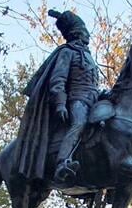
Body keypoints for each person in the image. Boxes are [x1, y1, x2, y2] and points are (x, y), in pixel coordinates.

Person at [13, 9, 100, 184]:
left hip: (94, 100)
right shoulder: (67, 52)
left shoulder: (89, 57)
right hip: (77, 100)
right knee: (79, 124)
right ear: (76, 33)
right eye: (84, 31)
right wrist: (60, 104)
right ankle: (62, 163)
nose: (87, 35)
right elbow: (58, 80)